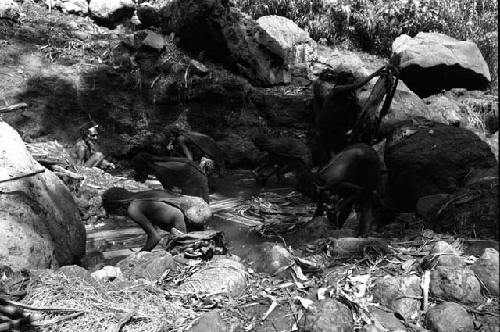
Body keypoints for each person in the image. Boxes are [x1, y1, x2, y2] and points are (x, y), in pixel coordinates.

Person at [102, 188, 188, 252]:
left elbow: (155, 237)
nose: (120, 215)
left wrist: (142, 253)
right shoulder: (141, 196)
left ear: (118, 206)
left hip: (181, 220)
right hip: (190, 209)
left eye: (115, 213)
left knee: (178, 254)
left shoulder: (133, 209)